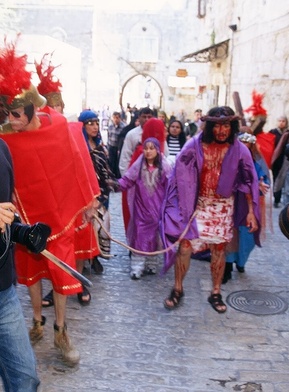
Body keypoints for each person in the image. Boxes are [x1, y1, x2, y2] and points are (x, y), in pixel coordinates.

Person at [0, 38, 100, 365]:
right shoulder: (4, 137)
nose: (11, 120)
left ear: (33, 110)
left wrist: (89, 200)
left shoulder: (59, 126)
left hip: (59, 217)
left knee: (60, 276)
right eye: (7, 114)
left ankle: (61, 330)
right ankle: (37, 323)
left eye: (16, 114)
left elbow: (78, 160)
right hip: (26, 219)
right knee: (30, 274)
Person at [160, 106, 261, 313]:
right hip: (197, 205)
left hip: (223, 206)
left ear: (232, 126)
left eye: (226, 125)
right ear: (209, 126)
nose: (222, 130)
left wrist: (251, 211)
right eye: (217, 125)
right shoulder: (193, 145)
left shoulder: (240, 149)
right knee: (185, 247)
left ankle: (215, 292)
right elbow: (178, 175)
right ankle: (177, 288)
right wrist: (177, 205)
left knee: (219, 249)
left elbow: (248, 179)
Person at [0, 138, 51, 392]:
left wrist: (21, 232)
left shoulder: (1, 148)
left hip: (3, 292)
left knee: (24, 378)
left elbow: (5, 213)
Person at [109, 137, 172, 279]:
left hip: (157, 210)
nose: (148, 151)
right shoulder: (139, 166)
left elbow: (171, 187)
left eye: (151, 148)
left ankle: (151, 264)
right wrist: (114, 184)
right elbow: (127, 180)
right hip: (141, 208)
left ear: (157, 150)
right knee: (140, 236)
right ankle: (137, 268)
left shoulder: (165, 167)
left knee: (155, 237)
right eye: (146, 148)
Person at [223, 132, 270, 283]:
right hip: (233, 201)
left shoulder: (256, 162)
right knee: (232, 233)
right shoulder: (230, 159)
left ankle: (241, 261)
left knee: (248, 235)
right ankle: (228, 266)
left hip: (250, 205)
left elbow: (262, 177)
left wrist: (260, 184)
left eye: (247, 144)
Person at [78, 109, 116, 272]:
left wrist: (107, 189)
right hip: (84, 196)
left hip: (100, 194)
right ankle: (87, 259)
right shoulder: (78, 148)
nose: (94, 127)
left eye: (96, 123)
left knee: (101, 227)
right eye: (90, 124)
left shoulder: (100, 148)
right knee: (86, 229)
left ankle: (95, 257)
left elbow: (106, 171)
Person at [118, 107, 154, 176]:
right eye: (144, 117)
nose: (147, 119)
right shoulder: (131, 134)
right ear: (139, 118)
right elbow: (125, 157)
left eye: (149, 117)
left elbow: (165, 155)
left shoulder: (157, 134)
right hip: (135, 175)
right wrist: (127, 178)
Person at [269, 116, 289, 207]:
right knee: (276, 178)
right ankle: (276, 199)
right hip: (276, 160)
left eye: (283, 121)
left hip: (286, 160)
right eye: (279, 121)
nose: (281, 123)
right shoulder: (272, 132)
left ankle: (280, 198)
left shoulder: (288, 133)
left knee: (284, 179)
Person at [107, 111, 125, 178]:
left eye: (117, 118)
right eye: (114, 118)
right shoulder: (110, 126)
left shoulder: (123, 127)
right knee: (111, 162)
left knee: (118, 163)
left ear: (120, 118)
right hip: (111, 147)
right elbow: (109, 137)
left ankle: (118, 177)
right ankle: (112, 176)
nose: (115, 119)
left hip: (119, 148)